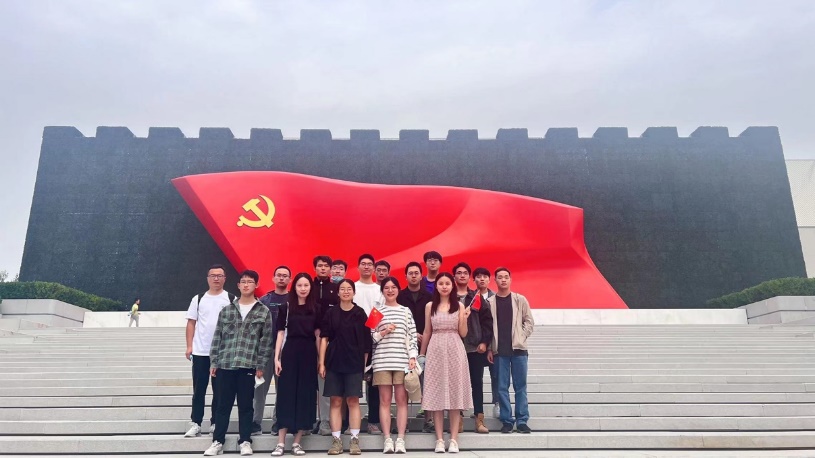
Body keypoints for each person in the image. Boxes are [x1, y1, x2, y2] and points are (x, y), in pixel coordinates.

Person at [204, 270, 273, 457]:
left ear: (256, 285)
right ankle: (218, 441)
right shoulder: (227, 310)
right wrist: (214, 361)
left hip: (248, 366)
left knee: (246, 406)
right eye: (243, 282)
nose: (246, 285)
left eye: (250, 282)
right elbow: (217, 337)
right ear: (238, 285)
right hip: (226, 365)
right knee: (222, 406)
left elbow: (266, 342)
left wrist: (261, 365)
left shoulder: (263, 311)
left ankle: (245, 441)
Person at [419, 272, 473, 453]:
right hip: (435, 349)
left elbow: (463, 333)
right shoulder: (430, 306)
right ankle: (440, 439)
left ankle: (454, 439)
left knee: (455, 395)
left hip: (455, 349)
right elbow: (427, 331)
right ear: (436, 286)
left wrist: (464, 318)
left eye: (447, 283)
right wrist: (422, 354)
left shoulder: (459, 305)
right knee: (437, 395)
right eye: (441, 283)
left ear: (452, 286)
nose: (444, 286)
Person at [271, 273, 322, 456]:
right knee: (286, 394)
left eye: (306, 285)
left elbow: (318, 335)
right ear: (294, 287)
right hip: (290, 352)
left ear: (310, 287)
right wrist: (277, 358)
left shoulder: (316, 308)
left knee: (305, 395)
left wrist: (320, 360)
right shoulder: (285, 307)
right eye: (300, 285)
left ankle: (297, 442)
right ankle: (280, 443)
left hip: (308, 353)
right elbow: (280, 333)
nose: (303, 288)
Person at [319, 279, 371, 455]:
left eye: (349, 289)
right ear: (338, 292)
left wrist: (363, 366)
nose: (346, 291)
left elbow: (366, 343)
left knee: (353, 401)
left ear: (354, 292)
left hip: (354, 363)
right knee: (335, 401)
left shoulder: (360, 313)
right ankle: (336, 441)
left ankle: (355, 440)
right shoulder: (331, 313)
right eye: (342, 289)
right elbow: (324, 338)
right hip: (334, 362)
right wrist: (321, 363)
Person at [184, 265, 235, 438]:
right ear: (207, 278)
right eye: (213, 275)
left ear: (225, 278)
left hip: (222, 353)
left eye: (219, 275)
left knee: (219, 390)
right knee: (199, 389)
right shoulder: (198, 299)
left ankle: (215, 423)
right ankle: (196, 423)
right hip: (201, 351)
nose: (216, 278)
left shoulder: (231, 299)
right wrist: (189, 346)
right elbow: (191, 322)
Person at [370, 277, 418, 454]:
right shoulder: (376, 311)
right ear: (382, 291)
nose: (390, 290)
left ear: (398, 290)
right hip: (382, 361)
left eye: (393, 287)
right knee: (384, 401)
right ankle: (387, 438)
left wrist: (412, 357)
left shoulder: (406, 311)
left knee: (401, 400)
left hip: (402, 361)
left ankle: (401, 439)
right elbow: (371, 337)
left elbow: (412, 336)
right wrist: (384, 331)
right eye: (387, 288)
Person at [486, 267, 534, 434]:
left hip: (519, 351)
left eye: (506, 277)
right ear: (495, 280)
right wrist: (490, 348)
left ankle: (522, 420)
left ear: (510, 279)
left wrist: (521, 336)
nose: (503, 280)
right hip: (499, 352)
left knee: (520, 386)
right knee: (502, 387)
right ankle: (506, 420)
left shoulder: (520, 299)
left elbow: (529, 321)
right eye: (500, 277)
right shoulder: (490, 302)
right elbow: (488, 328)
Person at [453, 263, 494, 434]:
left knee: (477, 383)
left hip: (474, 348)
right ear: (454, 276)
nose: (462, 275)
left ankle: (479, 419)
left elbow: (487, 321)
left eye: (465, 273)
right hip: (454, 348)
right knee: (456, 383)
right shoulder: (448, 297)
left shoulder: (476, 296)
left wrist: (484, 342)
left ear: (469, 277)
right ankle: (458, 419)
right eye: (459, 273)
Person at [252, 265, 291, 436]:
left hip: (286, 351)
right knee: (260, 388)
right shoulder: (264, 300)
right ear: (274, 278)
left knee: (283, 389)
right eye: (279, 275)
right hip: (266, 350)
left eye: (285, 276)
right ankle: (255, 422)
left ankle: (278, 422)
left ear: (290, 279)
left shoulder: (294, 300)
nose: (282, 278)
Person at [396, 261, 434, 432]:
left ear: (421, 276)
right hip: (403, 345)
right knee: (404, 382)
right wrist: (412, 334)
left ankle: (428, 419)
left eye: (416, 273)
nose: (413, 276)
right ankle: (404, 422)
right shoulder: (399, 296)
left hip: (426, 343)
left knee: (427, 381)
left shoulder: (429, 297)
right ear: (405, 276)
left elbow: (433, 320)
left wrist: (425, 335)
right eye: (410, 273)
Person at [353, 253, 382, 435]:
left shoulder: (379, 289)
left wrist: (369, 331)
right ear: (358, 267)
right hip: (353, 341)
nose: (366, 267)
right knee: (352, 382)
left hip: (375, 340)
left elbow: (380, 311)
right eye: (363, 264)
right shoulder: (352, 287)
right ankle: (349, 422)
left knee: (374, 384)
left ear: (373, 268)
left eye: (369, 264)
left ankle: (373, 421)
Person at [313, 255, 339, 436]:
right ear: (315, 268)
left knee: (324, 382)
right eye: (320, 265)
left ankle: (325, 421)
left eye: (326, 266)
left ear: (330, 269)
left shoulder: (336, 289)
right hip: (307, 340)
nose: (323, 268)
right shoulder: (308, 286)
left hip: (330, 342)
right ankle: (308, 420)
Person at [473, 266, 499, 419]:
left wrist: (489, 345)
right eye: (478, 276)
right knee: (477, 378)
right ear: (474, 280)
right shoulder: (471, 298)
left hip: (493, 344)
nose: (481, 279)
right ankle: (478, 409)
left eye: (485, 276)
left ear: (489, 280)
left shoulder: (496, 298)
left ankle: (497, 403)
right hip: (476, 345)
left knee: (496, 376)